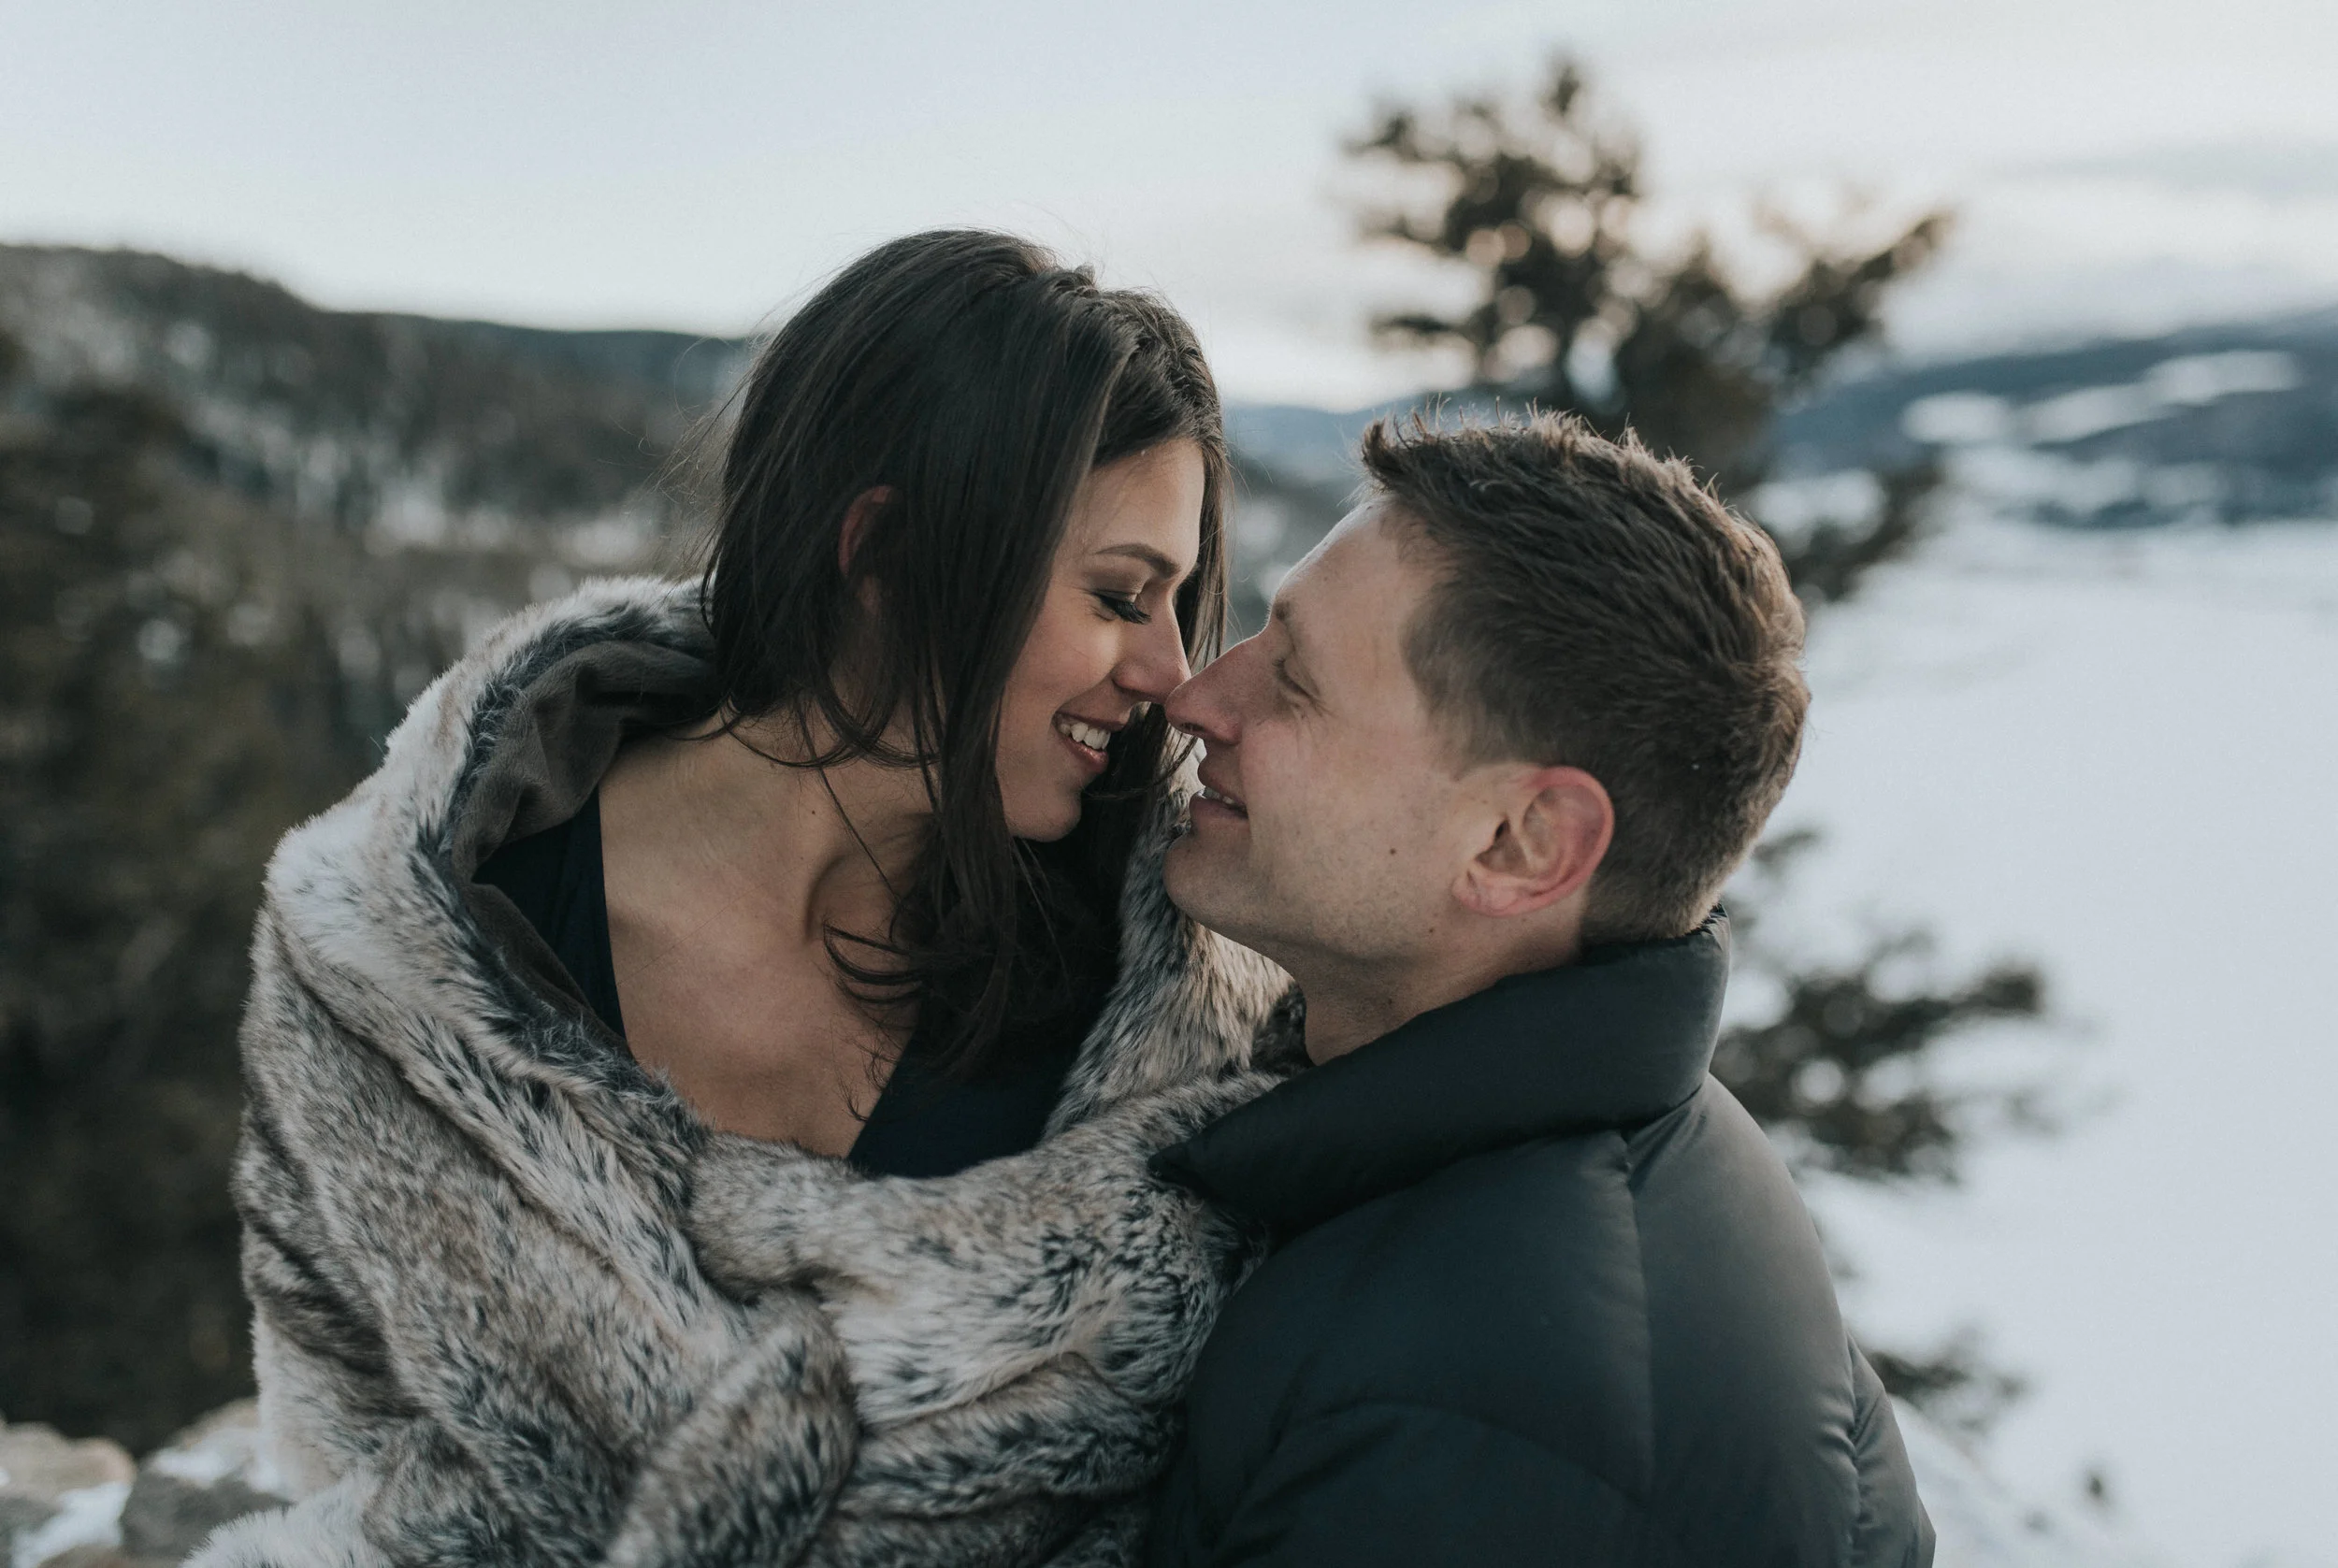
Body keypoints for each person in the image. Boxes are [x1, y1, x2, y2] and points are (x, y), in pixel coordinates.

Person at [201, 231, 1292, 1568]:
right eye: (1122, 596)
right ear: (881, 553)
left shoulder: (1155, 995)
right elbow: (366, 1460)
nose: (1170, 671)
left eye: (1177, 604)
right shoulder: (406, 962)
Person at [1145, 413, 1934, 1566]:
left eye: (1295, 683)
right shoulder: (1613, 1158)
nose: (1197, 698)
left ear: (1520, 845)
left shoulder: (1478, 1419)